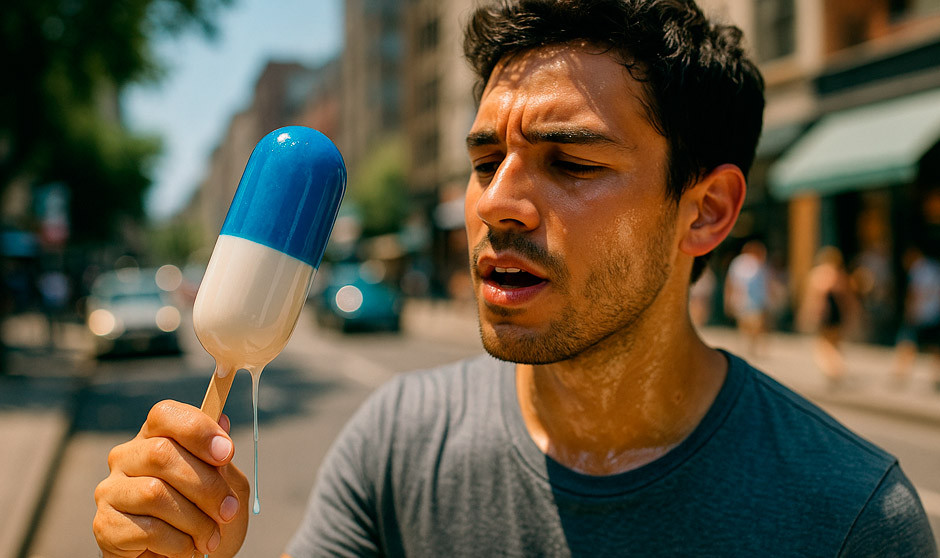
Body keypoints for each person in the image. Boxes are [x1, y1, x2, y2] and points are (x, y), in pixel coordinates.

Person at [93, 1, 937, 556]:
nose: (496, 204)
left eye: (571, 162)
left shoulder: (852, 518)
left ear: (706, 211)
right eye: (484, 160)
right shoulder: (397, 443)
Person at [797, 246, 856, 389]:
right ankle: (835, 366)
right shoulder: (840, 275)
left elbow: (815, 297)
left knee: (823, 344)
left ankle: (834, 368)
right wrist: (851, 315)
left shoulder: (818, 274)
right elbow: (847, 299)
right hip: (836, 313)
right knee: (834, 341)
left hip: (825, 313)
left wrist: (808, 314)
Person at [892, 246, 940, 390]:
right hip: (934, 314)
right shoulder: (935, 268)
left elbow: (914, 292)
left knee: (906, 342)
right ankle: (937, 376)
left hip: (919, 314)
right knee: (935, 347)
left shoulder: (918, 270)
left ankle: (901, 373)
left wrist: (909, 311)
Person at [723, 240, 772, 355]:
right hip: (745, 299)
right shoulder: (742, 264)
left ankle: (752, 346)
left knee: (754, 324)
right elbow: (732, 282)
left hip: (753, 300)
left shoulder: (758, 264)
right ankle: (750, 345)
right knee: (748, 324)